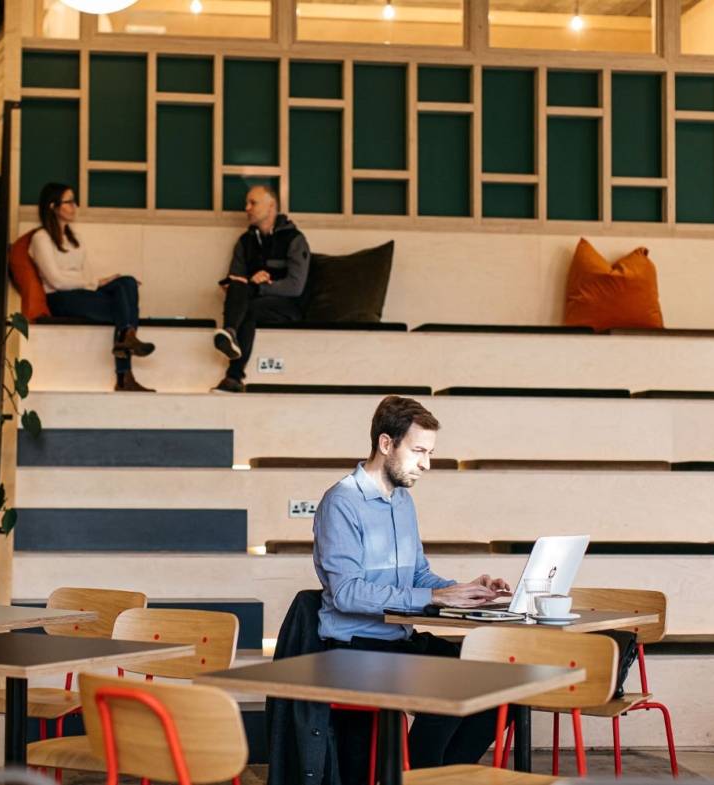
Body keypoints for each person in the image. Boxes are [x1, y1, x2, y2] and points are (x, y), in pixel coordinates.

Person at [313, 395, 512, 781]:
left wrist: (466, 590)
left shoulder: (401, 500)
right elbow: (348, 593)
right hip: (354, 650)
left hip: (399, 644)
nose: (426, 463)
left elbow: (418, 576)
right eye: (418, 450)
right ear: (386, 444)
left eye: (430, 452)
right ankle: (421, 775)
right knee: (446, 683)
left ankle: (433, 776)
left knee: (498, 682)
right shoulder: (341, 504)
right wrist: (435, 598)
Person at [30, 182, 155, 392]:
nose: (74, 206)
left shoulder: (74, 238)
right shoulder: (41, 239)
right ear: (52, 206)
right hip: (60, 298)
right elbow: (57, 281)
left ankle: (127, 339)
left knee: (127, 282)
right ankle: (125, 370)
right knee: (122, 306)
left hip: (83, 293)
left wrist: (98, 281)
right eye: (68, 202)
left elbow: (87, 275)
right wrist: (94, 282)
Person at [212, 186, 310, 393]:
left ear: (271, 205)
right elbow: (235, 281)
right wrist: (243, 283)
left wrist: (260, 285)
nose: (247, 208)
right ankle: (230, 338)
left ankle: (233, 370)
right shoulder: (244, 242)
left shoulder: (294, 239)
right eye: (247, 203)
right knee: (240, 292)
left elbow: (295, 287)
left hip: (287, 306)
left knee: (247, 306)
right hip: (252, 302)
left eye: (253, 203)